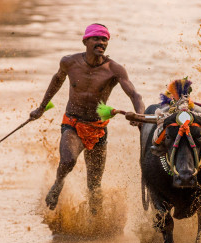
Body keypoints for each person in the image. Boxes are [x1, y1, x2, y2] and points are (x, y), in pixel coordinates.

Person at [30, 23, 145, 212]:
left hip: (98, 128)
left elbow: (135, 95)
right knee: (68, 161)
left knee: (94, 187)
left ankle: (96, 229)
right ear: (85, 41)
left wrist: (139, 117)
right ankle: (58, 183)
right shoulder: (69, 62)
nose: (101, 42)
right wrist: (41, 108)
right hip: (73, 123)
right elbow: (57, 80)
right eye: (96, 39)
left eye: (104, 39)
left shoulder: (114, 69)